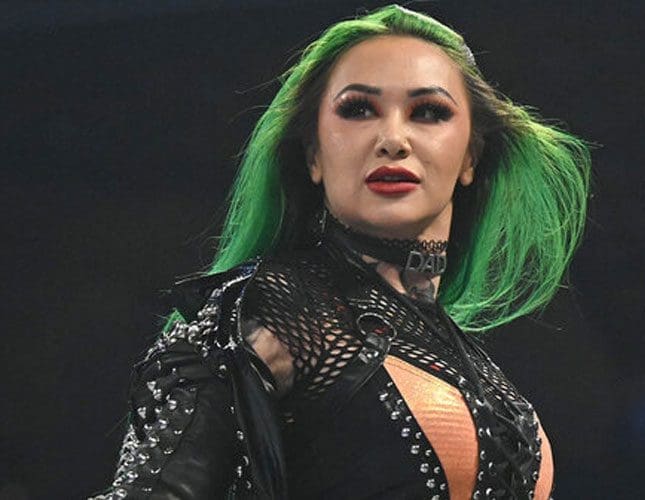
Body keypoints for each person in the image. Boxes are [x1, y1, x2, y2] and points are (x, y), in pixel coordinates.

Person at [91, 4, 590, 499]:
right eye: (358, 109)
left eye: (429, 112)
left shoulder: (470, 362)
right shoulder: (272, 308)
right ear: (313, 154)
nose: (393, 139)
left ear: (471, 156)